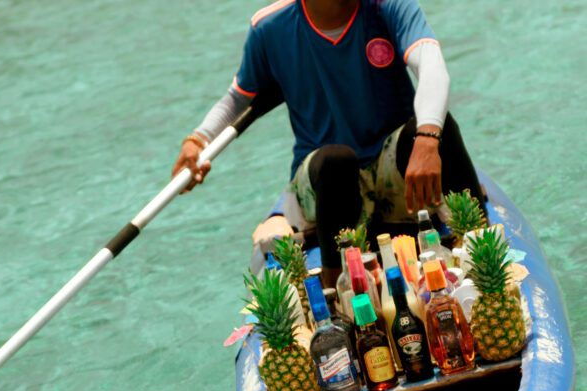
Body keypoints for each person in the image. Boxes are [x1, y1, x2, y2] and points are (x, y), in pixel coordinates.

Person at [172, 0, 486, 284]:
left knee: (435, 128)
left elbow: (432, 67)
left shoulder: (388, 6)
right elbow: (237, 100)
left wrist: (428, 140)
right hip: (325, 180)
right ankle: (339, 288)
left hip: (392, 170)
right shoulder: (269, 28)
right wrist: (197, 140)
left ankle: (486, 253)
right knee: (338, 161)